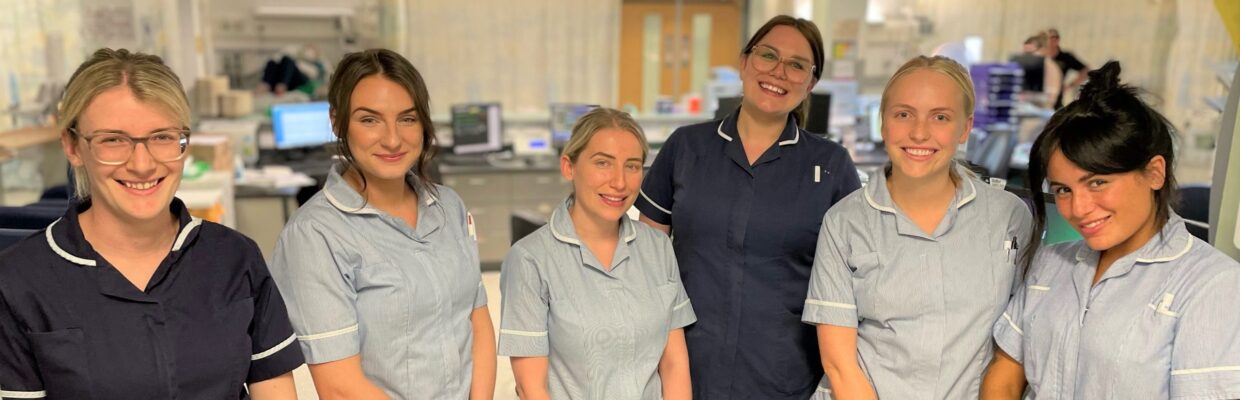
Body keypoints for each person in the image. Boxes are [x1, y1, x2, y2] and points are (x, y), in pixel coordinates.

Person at [0, 48, 303, 399]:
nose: (142, 165)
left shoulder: (234, 258)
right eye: (113, 140)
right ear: (72, 147)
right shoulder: (19, 280)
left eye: (162, 137)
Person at [981, 61, 1240, 399]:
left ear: (1154, 173)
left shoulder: (1213, 285)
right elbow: (1006, 372)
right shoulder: (1052, 262)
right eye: (1063, 189)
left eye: (1097, 183)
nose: (1078, 208)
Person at [636, 15, 861, 399]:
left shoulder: (831, 165)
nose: (779, 72)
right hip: (685, 370)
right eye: (768, 55)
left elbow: (854, 280)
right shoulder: (686, 148)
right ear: (744, 62)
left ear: (811, 83)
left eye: (796, 65)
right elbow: (646, 263)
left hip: (786, 376)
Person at [268, 49, 496, 399]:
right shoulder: (314, 235)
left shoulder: (448, 206)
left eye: (407, 119)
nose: (392, 139)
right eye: (369, 120)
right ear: (337, 122)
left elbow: (476, 320)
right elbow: (340, 387)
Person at [801, 55, 1032, 399]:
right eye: (903, 114)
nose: (920, 133)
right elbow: (840, 365)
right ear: (883, 123)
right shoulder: (844, 222)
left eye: (940, 117)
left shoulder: (1008, 217)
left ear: (965, 128)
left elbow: (1015, 345)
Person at [499, 108, 697, 400]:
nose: (619, 182)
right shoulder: (529, 259)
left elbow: (674, 364)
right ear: (569, 167)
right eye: (603, 163)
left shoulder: (658, 247)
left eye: (632, 166)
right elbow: (532, 388)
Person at [1046, 28, 1090, 109]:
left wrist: (1070, 85)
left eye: (1056, 37)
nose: (1053, 40)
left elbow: (1085, 70)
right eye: (1050, 37)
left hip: (1056, 100)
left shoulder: (1065, 57)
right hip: (1039, 97)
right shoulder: (1040, 56)